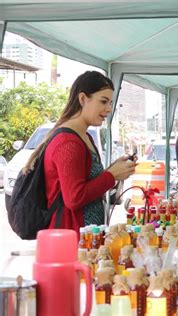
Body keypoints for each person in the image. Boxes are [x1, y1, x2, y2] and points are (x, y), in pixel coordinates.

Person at [24, 71, 137, 234]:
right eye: (104, 102)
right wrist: (111, 175)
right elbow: (74, 198)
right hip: (71, 238)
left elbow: (85, 183)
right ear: (83, 99)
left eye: (111, 103)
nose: (109, 109)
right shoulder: (68, 143)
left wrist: (114, 170)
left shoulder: (85, 137)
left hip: (86, 237)